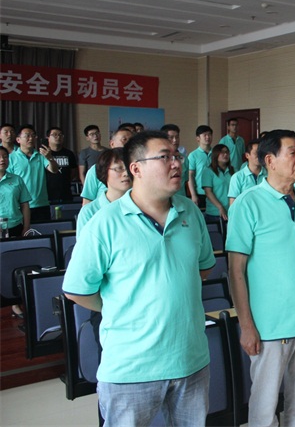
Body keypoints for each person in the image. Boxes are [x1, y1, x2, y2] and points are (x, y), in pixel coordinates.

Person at [63, 131, 215, 425]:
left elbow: (203, 268)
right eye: (164, 157)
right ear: (136, 168)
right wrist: (121, 305)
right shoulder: (104, 223)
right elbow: (77, 290)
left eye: (176, 156)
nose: (176, 163)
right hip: (131, 367)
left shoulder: (190, 212)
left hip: (190, 360)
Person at [226, 129, 295, 427]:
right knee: (265, 403)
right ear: (270, 160)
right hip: (270, 324)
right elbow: (236, 270)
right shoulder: (248, 203)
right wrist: (246, 325)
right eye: (293, 153)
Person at [8, 124, 59, 222]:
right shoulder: (11, 158)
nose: (31, 138)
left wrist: (50, 158)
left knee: (44, 231)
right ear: (18, 140)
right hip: (20, 205)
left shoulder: (41, 155)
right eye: (27, 136)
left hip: (41, 204)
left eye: (33, 135)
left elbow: (54, 170)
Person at [76, 148, 131, 232]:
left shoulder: (142, 206)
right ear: (104, 172)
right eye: (119, 168)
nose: (126, 173)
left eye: (129, 168)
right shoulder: (89, 212)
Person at [81, 128, 133, 205]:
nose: (129, 144)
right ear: (112, 144)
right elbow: (87, 200)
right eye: (124, 140)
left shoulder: (140, 169)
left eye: (132, 141)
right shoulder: (96, 169)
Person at [0, 146, 31, 238]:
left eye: (5, 156)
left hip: (15, 226)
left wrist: (26, 227)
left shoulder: (17, 179)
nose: (2, 159)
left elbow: (25, 205)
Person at [44, 127, 78, 204]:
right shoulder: (43, 154)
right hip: (47, 193)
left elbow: (73, 172)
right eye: (54, 135)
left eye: (60, 135)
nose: (58, 137)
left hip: (65, 192)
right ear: (48, 138)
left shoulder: (69, 153)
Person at [228, 139, 266, 206]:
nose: (259, 155)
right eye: (256, 153)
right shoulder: (237, 177)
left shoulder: (269, 175)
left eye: (261, 152)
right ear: (247, 155)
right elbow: (233, 204)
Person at [201, 144, 233, 222]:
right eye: (222, 152)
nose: (225, 154)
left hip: (231, 211)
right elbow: (208, 192)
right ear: (216, 154)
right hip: (215, 212)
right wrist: (220, 207)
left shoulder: (233, 170)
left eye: (227, 152)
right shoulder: (208, 171)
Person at [187, 125, 213, 208]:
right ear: (198, 138)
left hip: (215, 192)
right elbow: (190, 176)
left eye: (209, 134)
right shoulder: (193, 155)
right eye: (205, 135)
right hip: (200, 193)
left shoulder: (216, 153)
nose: (208, 137)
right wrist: (193, 194)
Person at [160, 124, 189, 195]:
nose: (175, 140)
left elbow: (185, 180)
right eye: (171, 137)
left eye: (177, 137)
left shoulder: (184, 158)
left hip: (181, 198)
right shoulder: (158, 159)